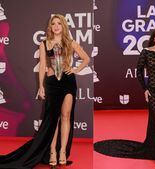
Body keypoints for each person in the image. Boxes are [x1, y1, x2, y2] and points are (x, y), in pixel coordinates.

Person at [0, 14, 90, 168]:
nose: (56, 26)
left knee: (66, 116)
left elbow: (86, 58)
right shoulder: (44, 43)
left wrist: (75, 69)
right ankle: (52, 152)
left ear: (63, 26)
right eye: (53, 23)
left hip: (68, 82)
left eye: (59, 23)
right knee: (53, 119)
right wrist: (41, 86)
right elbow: (42, 67)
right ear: (50, 27)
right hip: (52, 83)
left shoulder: (70, 42)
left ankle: (62, 152)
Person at [93, 27, 155, 165]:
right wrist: (145, 89)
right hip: (153, 91)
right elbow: (138, 71)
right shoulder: (146, 52)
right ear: (153, 38)